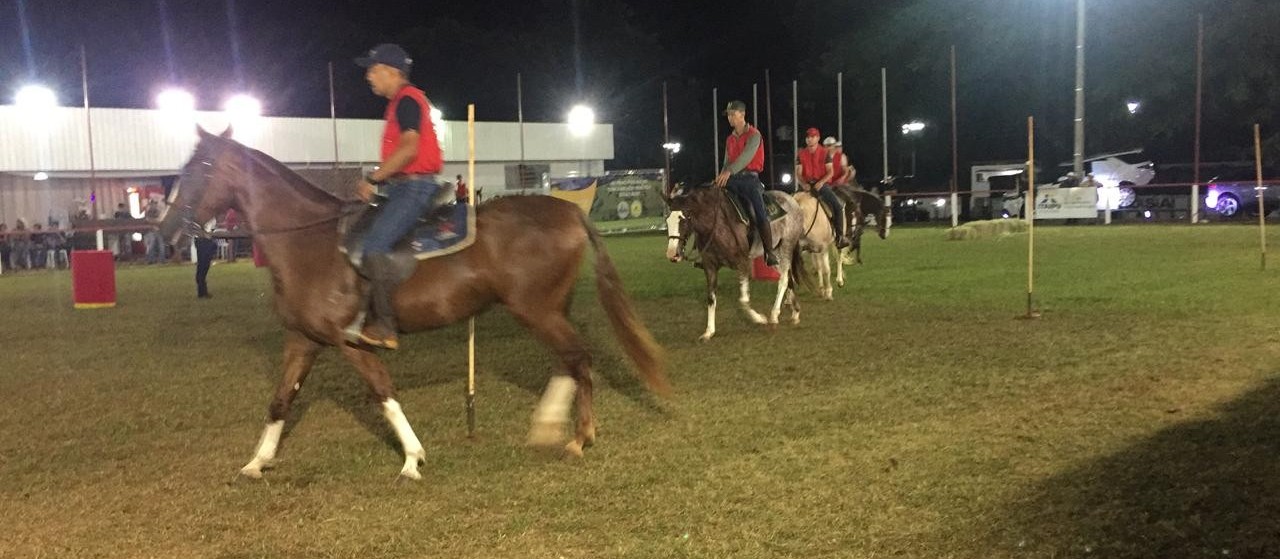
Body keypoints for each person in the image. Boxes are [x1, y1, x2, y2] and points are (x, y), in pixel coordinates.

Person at [352, 43, 446, 349]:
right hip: (401, 186)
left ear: (391, 72)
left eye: (373, 69)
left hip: (414, 187)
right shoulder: (398, 104)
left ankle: (386, 326)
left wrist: (373, 177)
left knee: (375, 244)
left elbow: (409, 149)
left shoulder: (407, 100)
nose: (368, 76)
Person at [714, 100, 778, 266]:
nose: (729, 118)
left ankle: (769, 251)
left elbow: (746, 157)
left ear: (742, 115)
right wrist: (721, 175)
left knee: (759, 211)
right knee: (712, 201)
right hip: (732, 178)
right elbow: (727, 161)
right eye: (728, 115)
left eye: (732, 114)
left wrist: (729, 172)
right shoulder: (730, 139)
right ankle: (710, 251)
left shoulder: (754, 135)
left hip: (750, 179)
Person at [795, 129, 846, 246]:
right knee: (792, 204)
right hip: (806, 185)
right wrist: (803, 184)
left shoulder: (825, 153)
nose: (809, 139)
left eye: (812, 137)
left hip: (821, 185)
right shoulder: (801, 154)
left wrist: (821, 182)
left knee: (837, 206)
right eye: (808, 137)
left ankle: (840, 237)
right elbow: (798, 172)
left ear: (818, 138)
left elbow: (830, 172)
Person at [194, 218, 217, 299]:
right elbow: (208, 231)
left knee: (203, 266)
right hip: (204, 241)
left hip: (202, 240)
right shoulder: (209, 218)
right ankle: (202, 291)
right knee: (203, 266)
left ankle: (202, 291)